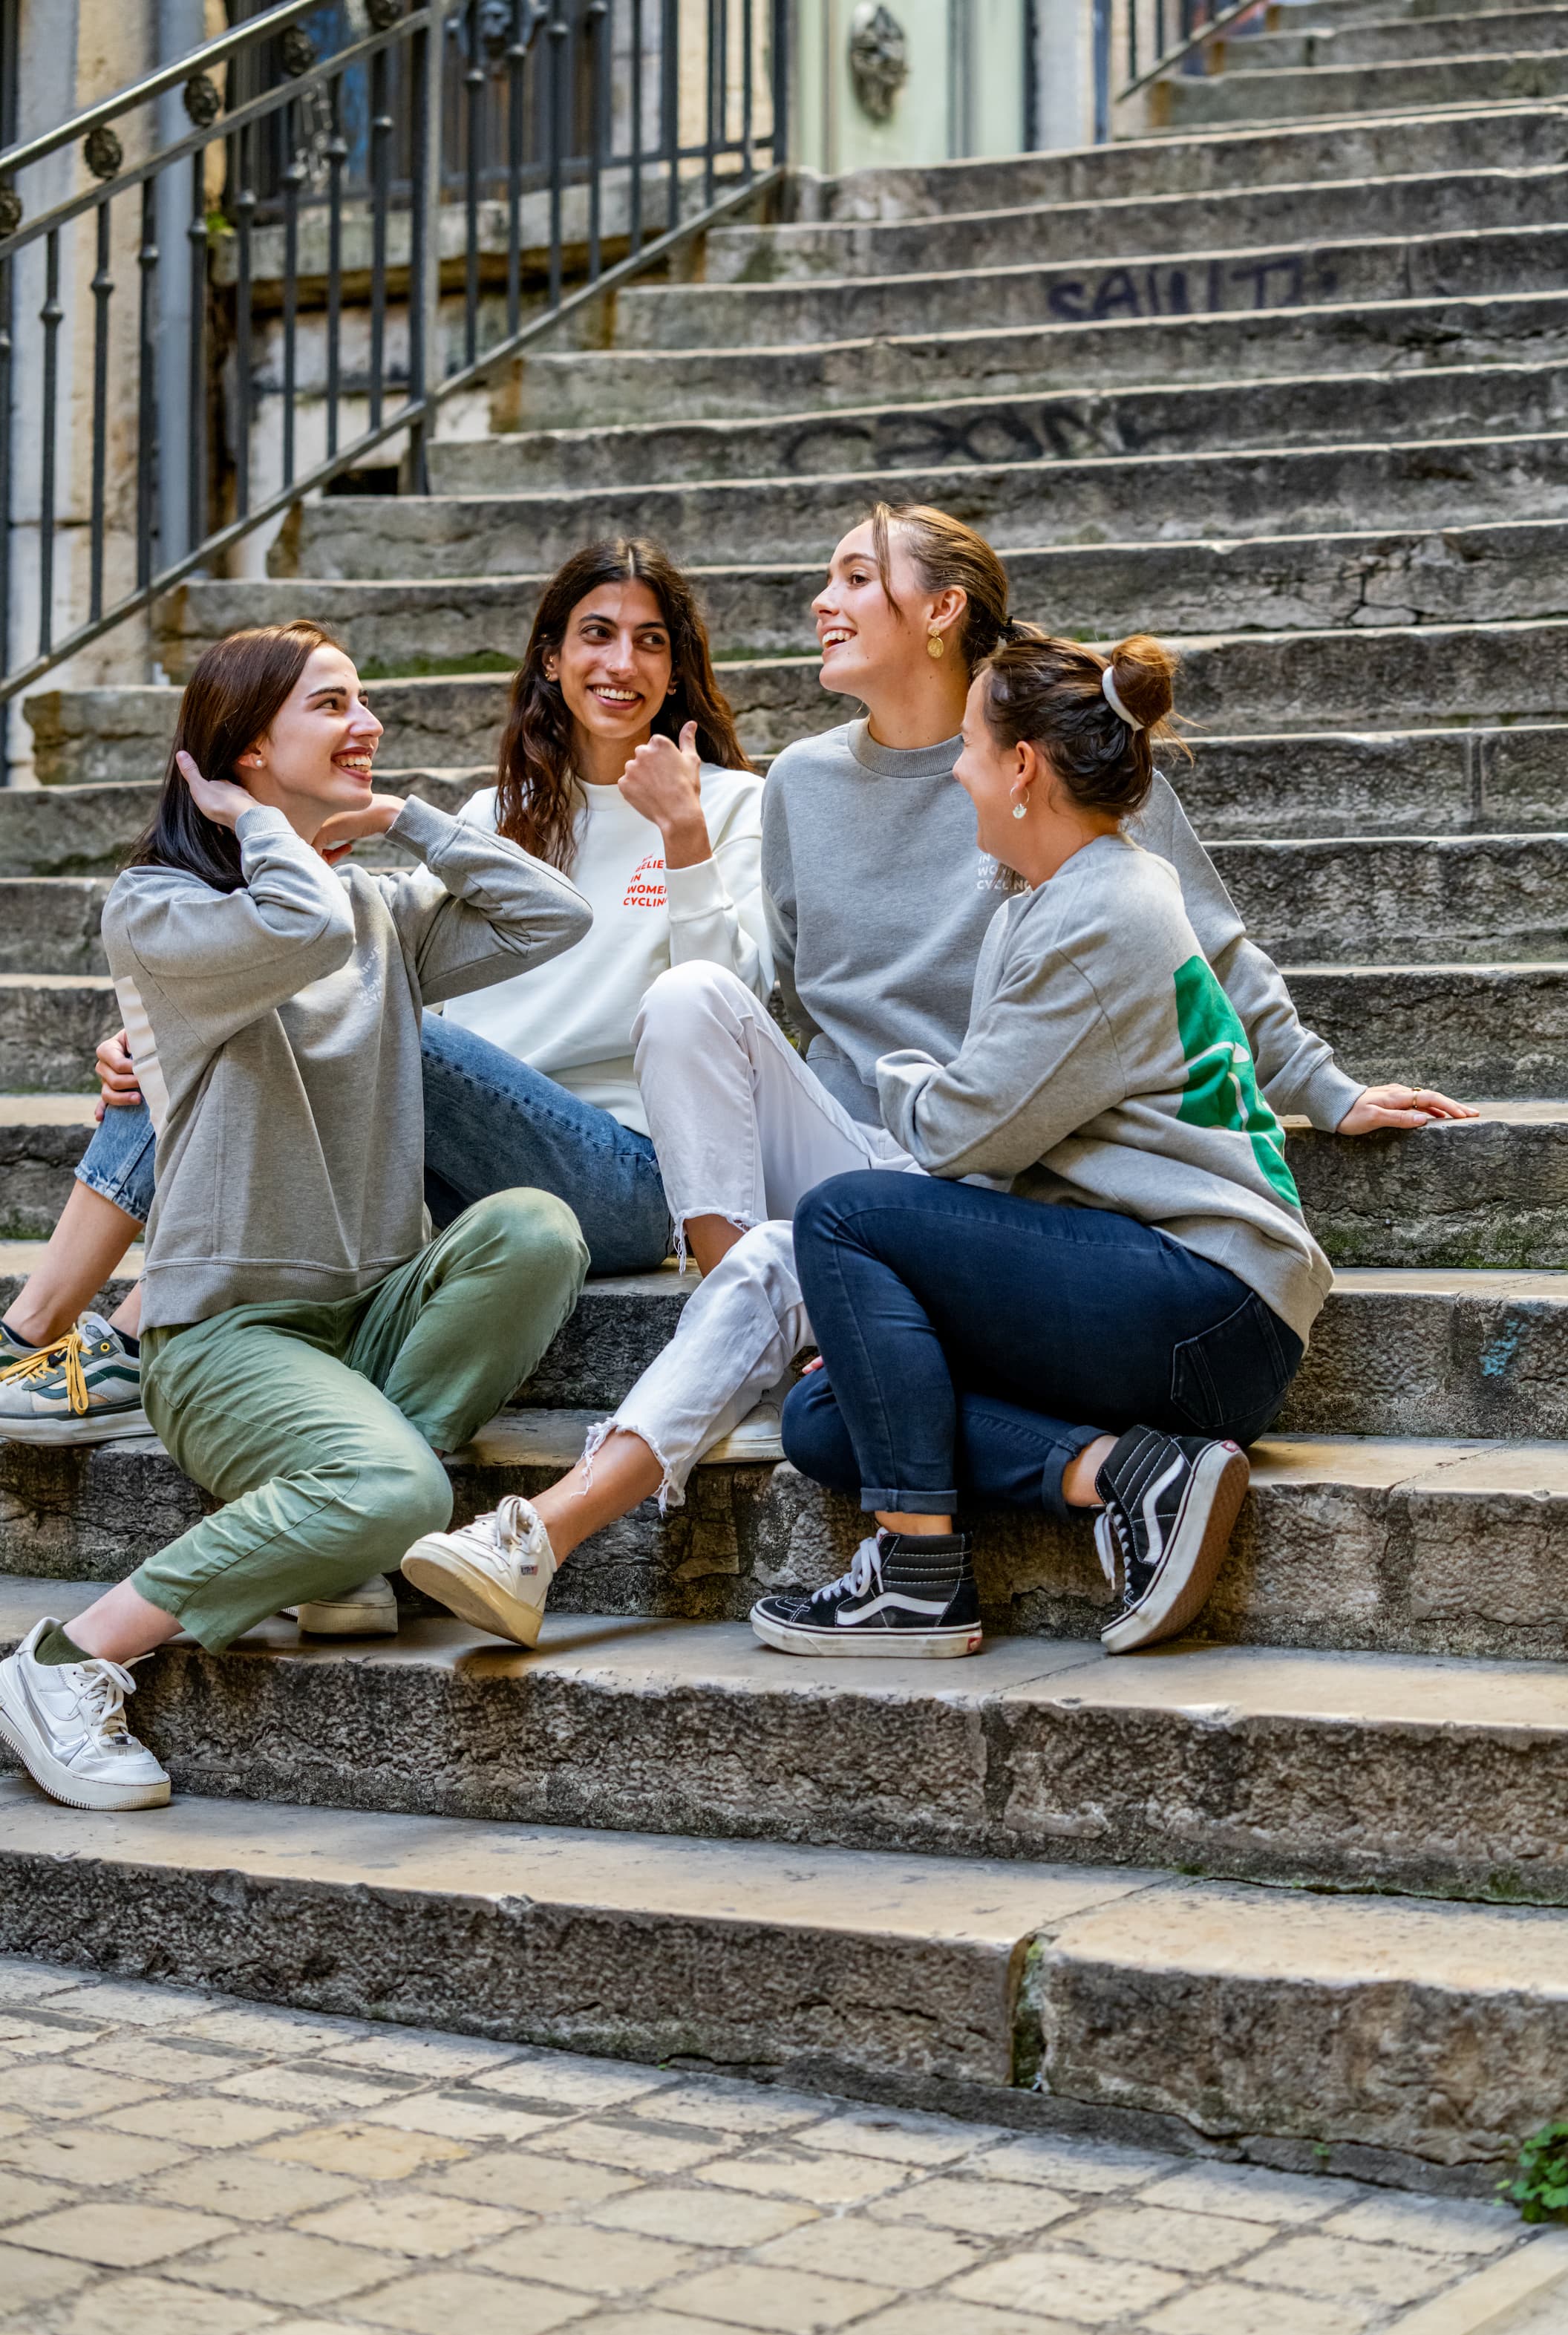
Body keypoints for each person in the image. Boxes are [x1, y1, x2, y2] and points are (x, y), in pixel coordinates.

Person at [394, 503, 1471, 1649]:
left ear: (942, 612)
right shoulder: (815, 786)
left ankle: (591, 1529)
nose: (821, 601)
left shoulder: (1058, 765)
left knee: (822, 1237)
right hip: (901, 1168)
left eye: (856, 576)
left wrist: (1319, 1083)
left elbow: (1208, 954)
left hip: (991, 1173)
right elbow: (790, 1001)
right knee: (817, 1380)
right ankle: (1085, 1466)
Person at [0, 622, 592, 1810]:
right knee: (407, 1495)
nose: (367, 723)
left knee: (535, 1229)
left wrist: (409, 822)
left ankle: (344, 1545)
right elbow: (300, 926)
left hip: (364, 1314)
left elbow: (553, 919)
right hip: (225, 1339)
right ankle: (66, 1659)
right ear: (246, 747)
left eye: (363, 697)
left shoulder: (375, 904)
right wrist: (253, 824)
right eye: (333, 704)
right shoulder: (162, 912)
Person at [0, 538, 767, 1450]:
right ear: (552, 659)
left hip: (624, 1171)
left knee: (301, 999)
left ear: (678, 669)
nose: (622, 663)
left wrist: (681, 835)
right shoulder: (495, 813)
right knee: (257, 1021)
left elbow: (734, 1003)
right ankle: (75, 1327)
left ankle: (81, 1330)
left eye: (651, 642)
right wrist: (176, 1034)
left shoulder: (728, 804)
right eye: (597, 635)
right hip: (442, 1167)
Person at [764, 632, 1328, 1659]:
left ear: (1022, 766)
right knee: (827, 1414)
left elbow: (957, 1133)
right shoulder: (1062, 893)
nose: (959, 773)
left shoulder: (1100, 914)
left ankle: (917, 1581)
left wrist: (884, 1071)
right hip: (1164, 1299)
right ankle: (1125, 1473)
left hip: (1209, 1298)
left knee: (841, 1216)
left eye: (970, 749)